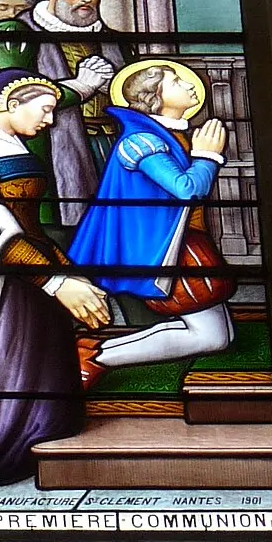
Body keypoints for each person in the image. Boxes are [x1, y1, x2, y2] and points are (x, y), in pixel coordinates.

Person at [0, 71, 109, 486]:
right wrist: (56, 281)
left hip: (29, 266)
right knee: (5, 360)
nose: (49, 120)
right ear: (12, 102)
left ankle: (36, 437)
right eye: (44, 109)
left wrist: (62, 266)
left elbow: (28, 227)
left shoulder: (7, 141)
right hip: (2, 273)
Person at [66, 61, 235, 372]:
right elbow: (186, 190)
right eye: (175, 82)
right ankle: (94, 358)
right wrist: (207, 156)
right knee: (212, 337)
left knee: (219, 336)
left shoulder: (167, 135)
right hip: (167, 249)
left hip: (183, 240)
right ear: (153, 97)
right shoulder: (142, 141)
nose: (188, 84)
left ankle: (93, 355)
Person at [23, 0, 127, 228]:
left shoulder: (108, 37)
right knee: (74, 219)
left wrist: (115, 87)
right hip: (54, 143)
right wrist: (81, 86)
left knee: (115, 220)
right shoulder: (24, 32)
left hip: (111, 140)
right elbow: (16, 93)